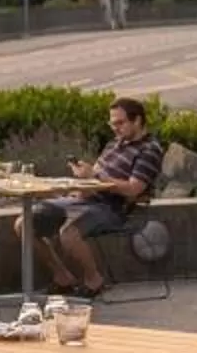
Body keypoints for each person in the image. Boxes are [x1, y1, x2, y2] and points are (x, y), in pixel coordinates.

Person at [30, 97, 166, 298]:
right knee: (25, 224)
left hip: (115, 208)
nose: (115, 128)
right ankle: (63, 277)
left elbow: (133, 189)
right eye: (112, 123)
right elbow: (97, 178)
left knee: (69, 232)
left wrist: (94, 176)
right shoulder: (114, 144)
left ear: (137, 120)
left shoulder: (149, 150)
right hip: (88, 199)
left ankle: (93, 280)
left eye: (120, 123)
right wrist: (81, 182)